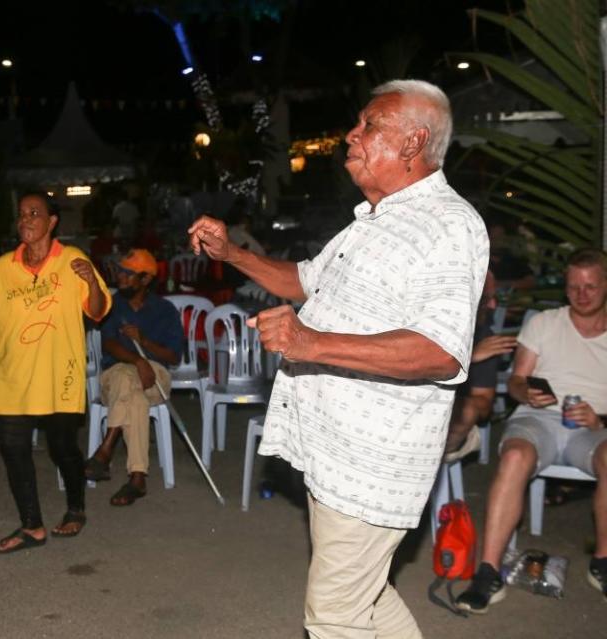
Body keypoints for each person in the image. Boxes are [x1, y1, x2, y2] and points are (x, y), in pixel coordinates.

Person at [189, 79, 488, 637]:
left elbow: (442, 352)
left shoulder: (448, 225)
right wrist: (231, 252)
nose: (351, 135)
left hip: (372, 464)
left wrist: (310, 344)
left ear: (412, 142)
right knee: (365, 596)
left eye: (369, 126)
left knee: (334, 615)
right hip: (336, 454)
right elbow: (303, 280)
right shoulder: (374, 221)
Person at [0, 191, 111, 553]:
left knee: (63, 449)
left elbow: (98, 311)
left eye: (34, 213)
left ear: (52, 222)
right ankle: (32, 526)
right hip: (15, 380)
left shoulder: (73, 260)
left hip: (60, 379)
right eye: (21, 214)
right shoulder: (3, 268)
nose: (25, 220)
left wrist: (89, 282)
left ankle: (76, 508)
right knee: (13, 449)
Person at [456, 248, 607, 612]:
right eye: (573, 287)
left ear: (605, 286)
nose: (581, 294)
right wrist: (530, 394)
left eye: (590, 286)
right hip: (538, 419)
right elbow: (517, 382)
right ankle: (488, 572)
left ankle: (602, 562)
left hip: (595, 427)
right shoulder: (544, 323)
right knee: (514, 456)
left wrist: (601, 420)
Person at [83, 248, 183, 506]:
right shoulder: (111, 304)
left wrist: (143, 341)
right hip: (115, 374)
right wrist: (138, 361)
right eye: (120, 272)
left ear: (146, 279)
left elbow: (173, 357)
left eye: (128, 274)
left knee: (131, 387)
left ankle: (107, 449)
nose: (121, 277)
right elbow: (108, 344)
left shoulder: (165, 310)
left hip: (156, 377)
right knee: (131, 389)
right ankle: (137, 477)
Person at [443, 270, 518, 461]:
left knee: (466, 410)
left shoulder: (484, 336)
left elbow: (483, 406)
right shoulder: (430, 328)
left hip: (449, 428)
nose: (493, 305)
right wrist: (469, 358)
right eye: (486, 299)